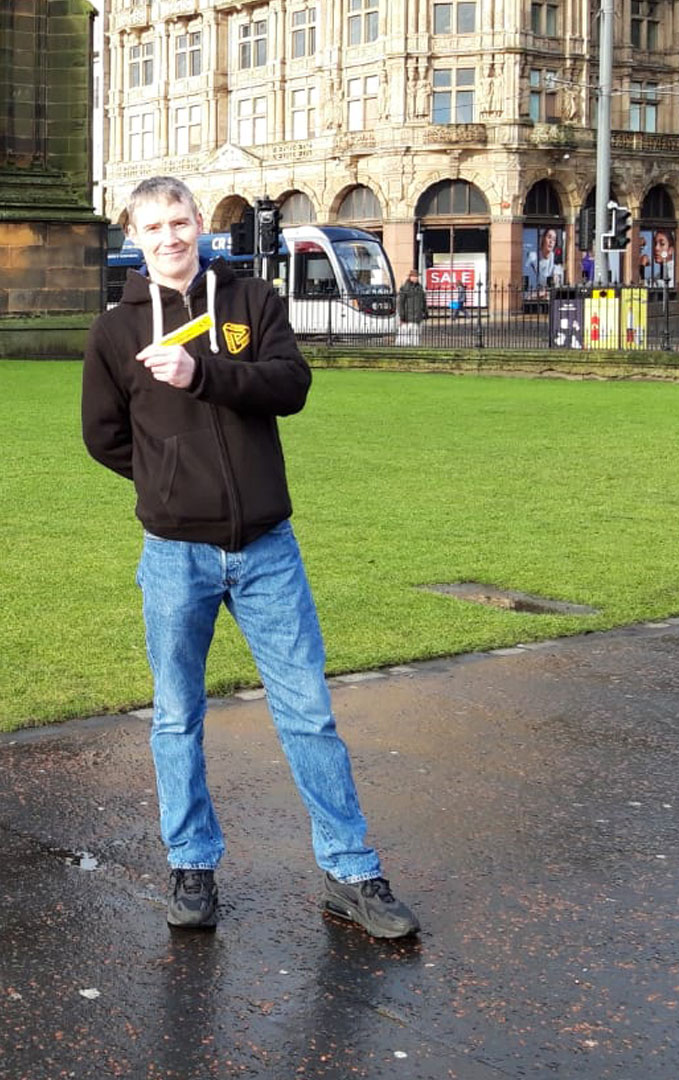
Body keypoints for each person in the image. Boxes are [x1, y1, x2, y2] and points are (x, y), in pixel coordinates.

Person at [79, 176, 420, 940]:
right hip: (175, 554)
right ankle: (192, 865)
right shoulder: (115, 332)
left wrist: (205, 375)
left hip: (268, 549)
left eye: (180, 220)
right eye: (153, 225)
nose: (169, 236)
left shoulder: (250, 302)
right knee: (176, 718)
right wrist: (168, 480)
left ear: (200, 223)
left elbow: (290, 384)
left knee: (308, 714)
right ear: (136, 234)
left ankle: (351, 871)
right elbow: (103, 435)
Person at [396, 269, 427, 347]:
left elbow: (423, 301)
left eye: (417, 276)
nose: (416, 278)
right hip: (408, 314)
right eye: (414, 276)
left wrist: (425, 311)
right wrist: (402, 315)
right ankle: (403, 346)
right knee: (404, 333)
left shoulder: (419, 287)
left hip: (417, 315)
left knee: (415, 334)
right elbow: (400, 303)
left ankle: (415, 346)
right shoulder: (405, 288)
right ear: (410, 277)